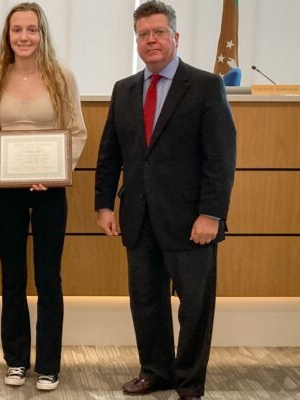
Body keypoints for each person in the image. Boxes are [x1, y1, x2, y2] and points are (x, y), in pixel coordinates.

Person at [94, 2, 236, 399]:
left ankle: (189, 382)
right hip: (138, 217)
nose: (151, 40)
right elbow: (110, 155)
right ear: (136, 40)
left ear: (175, 36)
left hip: (192, 221)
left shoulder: (206, 85)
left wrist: (211, 213)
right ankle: (156, 371)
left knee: (193, 308)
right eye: (143, 34)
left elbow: (221, 157)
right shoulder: (124, 90)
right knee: (147, 302)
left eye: (158, 32)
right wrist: (104, 205)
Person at [0, 2, 87, 391]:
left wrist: (56, 171)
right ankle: (15, 360)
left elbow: (77, 132)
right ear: (7, 36)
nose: (24, 37)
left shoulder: (62, 78)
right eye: (17, 30)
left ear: (42, 34)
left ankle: (48, 364)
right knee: (12, 276)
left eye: (31, 30)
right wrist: (1, 146)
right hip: (6, 190)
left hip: (50, 192)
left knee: (48, 278)